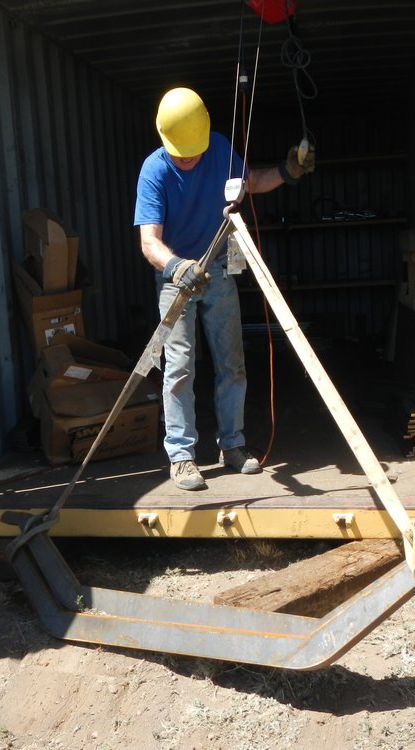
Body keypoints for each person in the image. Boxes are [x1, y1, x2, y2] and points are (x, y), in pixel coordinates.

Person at [133, 87, 315, 490]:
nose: (191, 159)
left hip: (217, 267)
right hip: (176, 275)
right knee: (179, 366)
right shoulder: (154, 171)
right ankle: (181, 457)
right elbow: (149, 242)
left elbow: (248, 183)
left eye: (195, 151)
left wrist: (288, 172)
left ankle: (232, 446)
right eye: (182, 154)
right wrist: (178, 266)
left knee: (231, 362)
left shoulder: (216, 147)